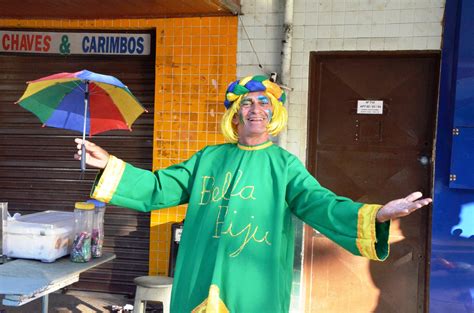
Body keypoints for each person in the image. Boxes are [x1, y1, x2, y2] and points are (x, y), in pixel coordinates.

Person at [75, 75, 432, 313]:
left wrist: (378, 214)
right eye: (247, 103)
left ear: (273, 113)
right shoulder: (208, 158)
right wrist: (108, 162)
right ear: (234, 115)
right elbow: (157, 189)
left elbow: (319, 204)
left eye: (263, 103)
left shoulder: (284, 165)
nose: (255, 109)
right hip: (200, 275)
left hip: (256, 285)